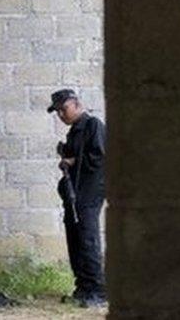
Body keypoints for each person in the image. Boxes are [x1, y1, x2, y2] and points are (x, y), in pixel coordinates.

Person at [48, 89, 107, 307]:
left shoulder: (93, 125)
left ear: (76, 104)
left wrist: (72, 161)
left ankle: (98, 291)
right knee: (75, 237)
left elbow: (101, 157)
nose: (61, 115)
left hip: (91, 192)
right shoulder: (74, 131)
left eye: (64, 109)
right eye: (58, 112)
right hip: (76, 195)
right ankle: (83, 287)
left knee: (87, 238)